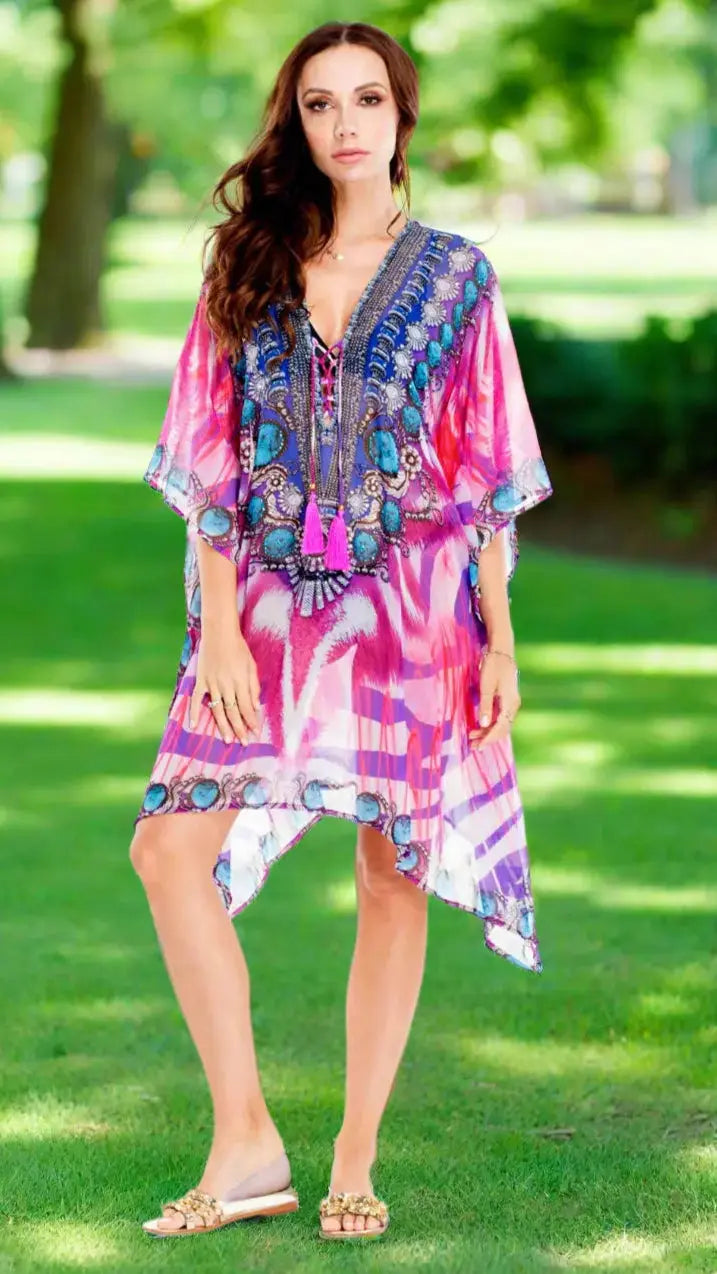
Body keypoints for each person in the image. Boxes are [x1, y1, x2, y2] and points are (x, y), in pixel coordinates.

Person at [130, 19, 553, 1243]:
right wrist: (213, 627)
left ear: (402, 116)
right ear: (296, 123)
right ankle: (247, 1135)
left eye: (368, 98)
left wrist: (500, 642)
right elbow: (207, 461)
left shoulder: (460, 274)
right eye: (321, 104)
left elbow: (482, 473)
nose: (347, 122)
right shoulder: (244, 261)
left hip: (415, 615)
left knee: (392, 870)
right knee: (168, 850)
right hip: (256, 615)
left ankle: (355, 1156)